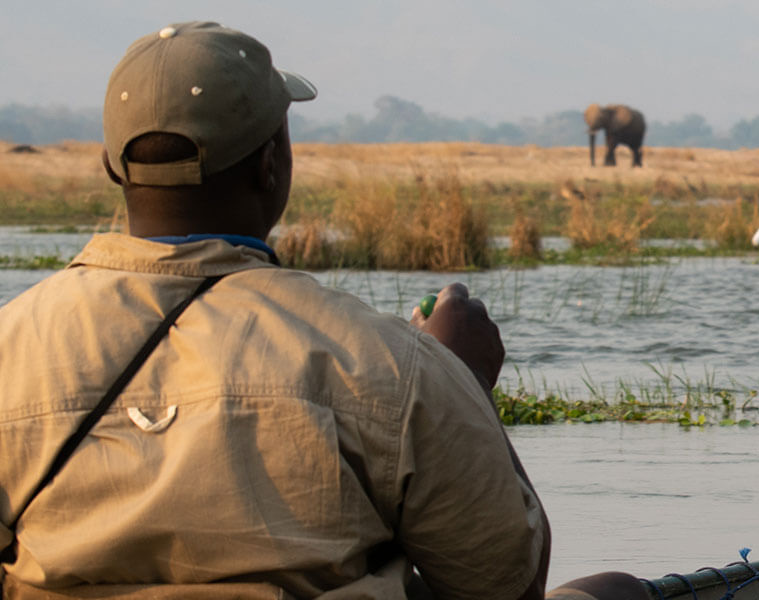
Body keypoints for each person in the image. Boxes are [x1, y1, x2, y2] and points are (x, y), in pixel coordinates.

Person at [0, 22, 551, 598]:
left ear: (113, 166)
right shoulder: (387, 361)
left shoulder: (12, 345)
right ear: (271, 164)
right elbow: (504, 584)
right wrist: (462, 382)